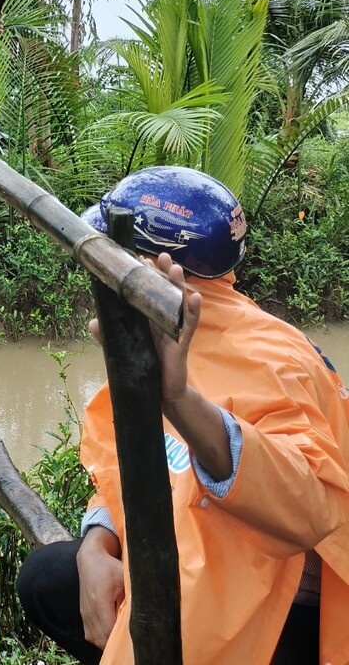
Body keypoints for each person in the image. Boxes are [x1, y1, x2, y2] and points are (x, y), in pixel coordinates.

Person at [17, 165, 349, 665]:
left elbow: (308, 509)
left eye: (114, 250)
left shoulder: (276, 360)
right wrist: (96, 542)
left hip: (275, 611)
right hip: (187, 562)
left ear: (153, 261)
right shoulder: (161, 327)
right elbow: (128, 457)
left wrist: (182, 402)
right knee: (47, 577)